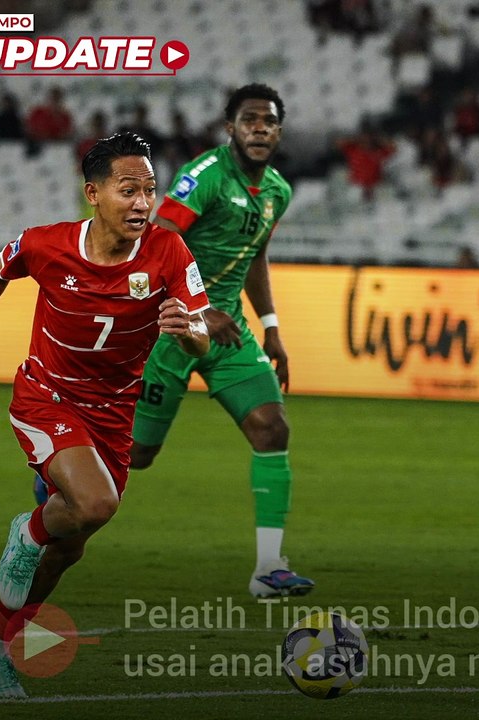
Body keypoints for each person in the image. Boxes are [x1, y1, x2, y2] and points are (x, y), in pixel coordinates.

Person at [0, 132, 211, 697]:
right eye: (128, 190)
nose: (143, 202)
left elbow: (202, 332)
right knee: (95, 503)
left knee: (70, 545)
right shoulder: (46, 245)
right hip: (47, 397)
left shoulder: (169, 251)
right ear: (93, 193)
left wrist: (189, 332)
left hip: (113, 415)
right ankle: (26, 531)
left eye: (149, 190)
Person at [128, 84, 313, 598]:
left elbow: (256, 256)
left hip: (227, 327)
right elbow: (155, 243)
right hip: (170, 325)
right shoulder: (204, 177)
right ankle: (60, 478)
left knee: (272, 429)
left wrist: (271, 324)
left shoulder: (277, 190)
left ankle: (269, 569)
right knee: (138, 456)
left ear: (278, 131)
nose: (259, 128)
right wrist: (196, 307)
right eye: (249, 119)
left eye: (269, 121)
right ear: (229, 127)